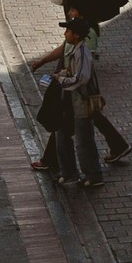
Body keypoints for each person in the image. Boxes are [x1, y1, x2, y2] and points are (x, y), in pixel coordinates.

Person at [29, 23, 132, 173]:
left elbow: (81, 75)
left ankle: (61, 165)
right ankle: (117, 146)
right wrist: (44, 62)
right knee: (83, 121)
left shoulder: (82, 47)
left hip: (76, 92)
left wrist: (63, 79)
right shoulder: (74, 40)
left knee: (67, 129)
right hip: (74, 90)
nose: (70, 11)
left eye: (73, 9)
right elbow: (64, 49)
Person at [45, 16, 105, 189]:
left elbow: (81, 78)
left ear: (76, 35)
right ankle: (69, 172)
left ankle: (93, 176)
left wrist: (62, 80)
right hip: (69, 102)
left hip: (81, 103)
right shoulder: (74, 50)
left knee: (83, 141)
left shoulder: (83, 53)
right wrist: (62, 74)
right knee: (62, 135)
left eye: (68, 31)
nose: (65, 33)